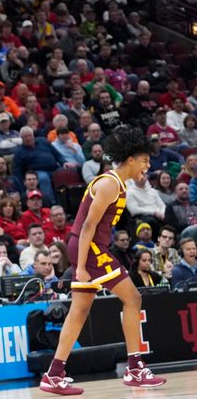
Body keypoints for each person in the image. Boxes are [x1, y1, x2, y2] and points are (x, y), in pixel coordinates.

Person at [40, 126, 166, 394]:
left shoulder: (117, 182)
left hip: (85, 246)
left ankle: (54, 373)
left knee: (80, 309)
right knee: (133, 298)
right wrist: (83, 267)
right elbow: (87, 227)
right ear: (130, 159)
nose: (148, 165)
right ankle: (135, 368)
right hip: (90, 248)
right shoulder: (109, 183)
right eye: (144, 160)